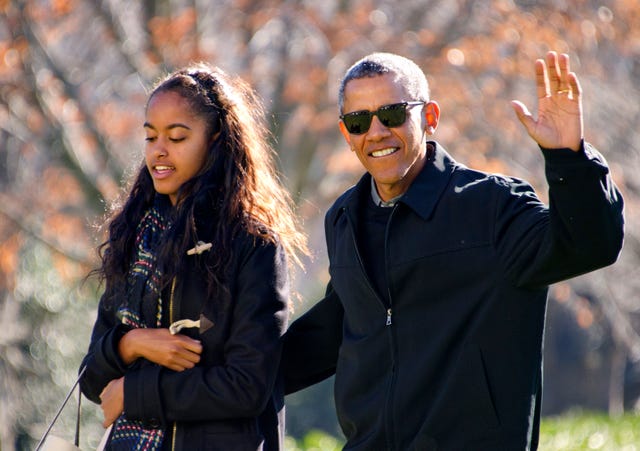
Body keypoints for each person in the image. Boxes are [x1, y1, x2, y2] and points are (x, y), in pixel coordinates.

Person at [282, 51, 624, 450]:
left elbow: (589, 245)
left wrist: (570, 159)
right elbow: (337, 328)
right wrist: (223, 371)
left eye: (392, 114)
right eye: (359, 122)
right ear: (347, 134)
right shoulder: (345, 217)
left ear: (429, 117)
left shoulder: (492, 206)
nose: (376, 132)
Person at [79, 62, 307, 450]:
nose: (159, 151)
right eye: (151, 137)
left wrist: (136, 393)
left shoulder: (252, 244)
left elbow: (247, 386)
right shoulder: (134, 238)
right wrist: (130, 344)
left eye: (177, 137)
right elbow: (90, 380)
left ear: (216, 140)